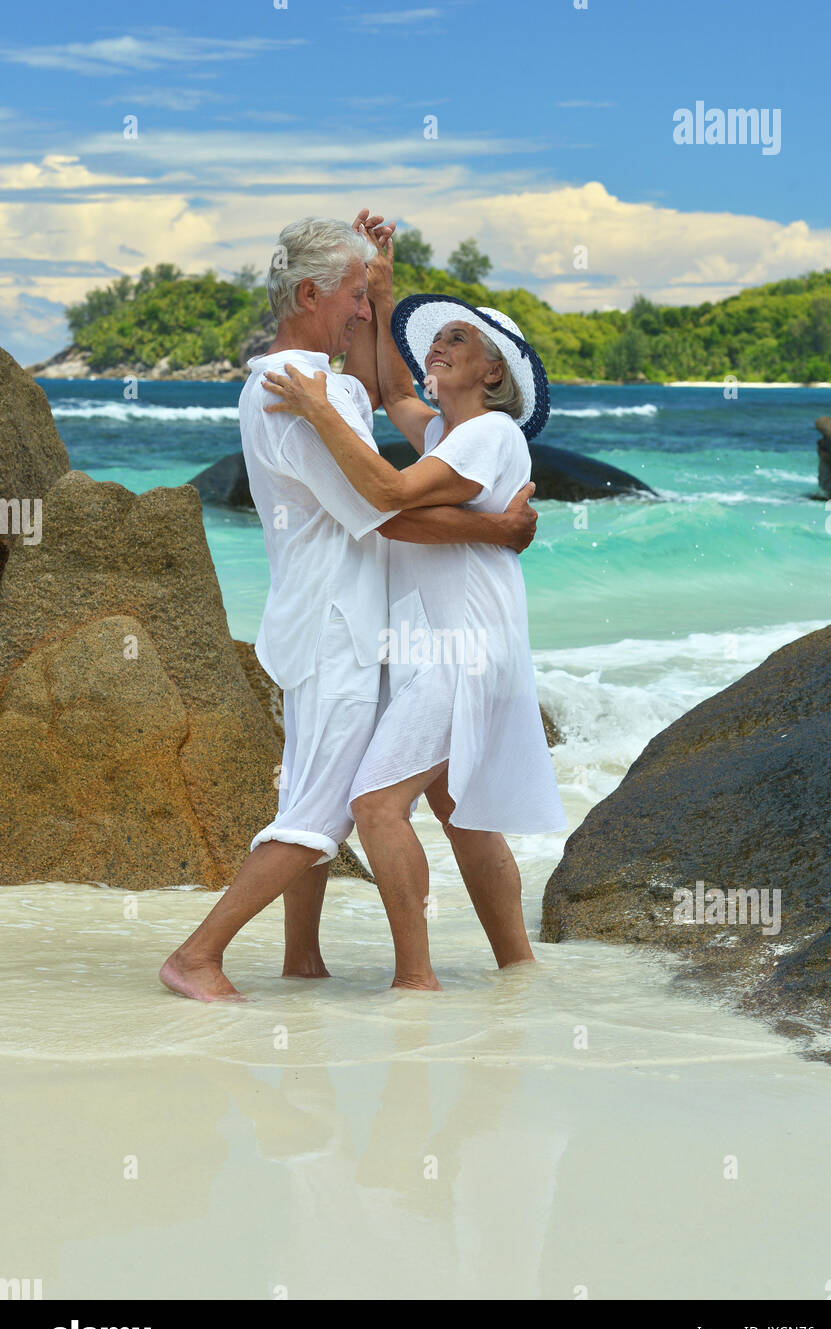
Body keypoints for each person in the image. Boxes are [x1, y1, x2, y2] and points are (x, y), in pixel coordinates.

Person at [159, 213, 539, 1001]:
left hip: (363, 626)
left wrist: (382, 282)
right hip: (342, 625)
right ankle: (200, 957)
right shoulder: (300, 391)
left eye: (369, 300)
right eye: (357, 299)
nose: (368, 315)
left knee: (340, 792)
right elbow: (386, 503)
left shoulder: (311, 388)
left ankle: (307, 960)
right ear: (309, 293)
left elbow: (376, 393)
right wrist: (498, 526)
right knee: (335, 803)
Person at [261, 240, 566, 990]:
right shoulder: (446, 434)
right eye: (441, 334)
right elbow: (390, 387)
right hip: (462, 650)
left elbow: (389, 502)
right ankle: (518, 970)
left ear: (493, 373)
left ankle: (416, 980)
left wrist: (312, 406)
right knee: (461, 813)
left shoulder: (492, 435)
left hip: (464, 651)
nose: (440, 344)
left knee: (373, 803)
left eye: (458, 338)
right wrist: (387, 291)